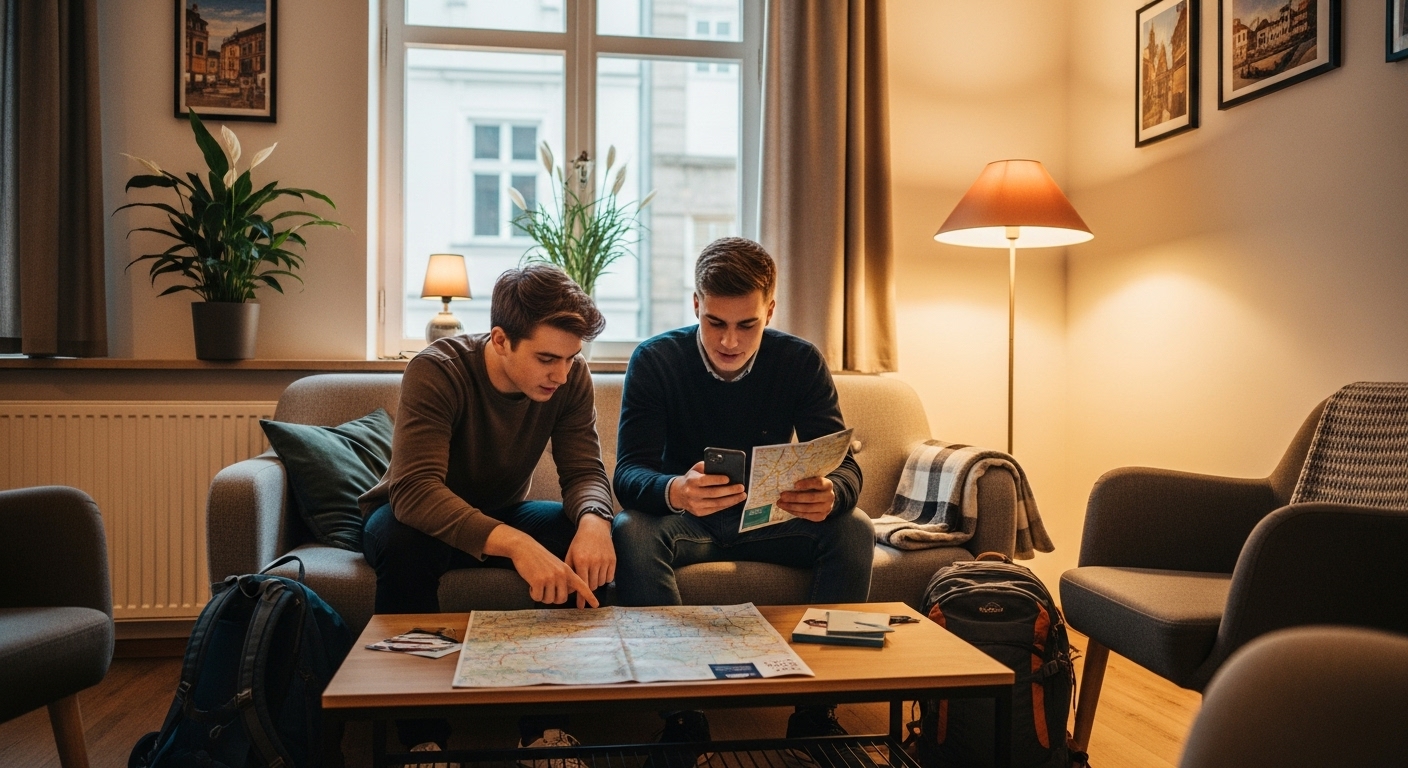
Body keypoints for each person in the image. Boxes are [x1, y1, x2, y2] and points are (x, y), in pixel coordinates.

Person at [612, 237, 875, 749]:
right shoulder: (655, 360)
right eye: (715, 322)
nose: (729, 341)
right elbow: (628, 473)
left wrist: (832, 493)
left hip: (770, 521)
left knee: (855, 528)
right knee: (631, 531)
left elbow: (843, 464)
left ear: (770, 311)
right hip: (686, 523)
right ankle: (683, 717)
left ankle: (817, 712)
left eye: (747, 325)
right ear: (696, 305)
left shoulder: (799, 361)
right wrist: (675, 490)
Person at [360, 264, 615, 763]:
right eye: (547, 358)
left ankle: (546, 731)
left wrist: (595, 521)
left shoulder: (571, 378)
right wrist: (518, 545)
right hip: (413, 520)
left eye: (571, 358)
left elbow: (585, 470)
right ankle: (423, 743)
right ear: (500, 339)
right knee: (403, 543)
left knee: (584, 537)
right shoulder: (438, 369)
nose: (561, 374)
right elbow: (415, 491)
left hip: (502, 511)